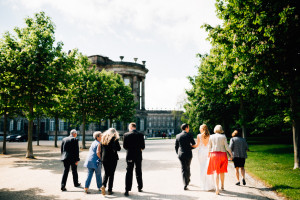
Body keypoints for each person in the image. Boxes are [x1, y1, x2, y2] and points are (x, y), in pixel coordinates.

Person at [207, 125, 233, 195]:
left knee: (216, 171)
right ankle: (222, 185)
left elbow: (209, 146)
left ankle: (217, 188)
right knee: (222, 171)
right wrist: (231, 154)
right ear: (221, 130)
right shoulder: (223, 136)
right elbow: (227, 146)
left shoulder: (211, 136)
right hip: (222, 154)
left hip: (214, 154)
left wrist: (209, 154)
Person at [123, 122, 145, 196]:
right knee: (138, 171)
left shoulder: (126, 135)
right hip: (138, 155)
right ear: (135, 127)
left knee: (129, 172)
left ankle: (127, 189)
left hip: (130, 155)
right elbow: (143, 147)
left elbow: (125, 146)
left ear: (131, 127)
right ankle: (140, 187)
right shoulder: (141, 135)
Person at [191, 124, 214, 190]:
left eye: (200, 128)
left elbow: (197, 145)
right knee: (208, 167)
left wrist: (191, 146)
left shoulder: (199, 136)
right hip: (208, 152)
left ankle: (204, 185)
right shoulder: (210, 136)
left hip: (201, 152)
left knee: (202, 167)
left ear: (202, 129)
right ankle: (209, 185)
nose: (199, 129)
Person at [100, 128, 121, 195]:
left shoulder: (103, 138)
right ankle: (109, 190)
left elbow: (101, 149)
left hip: (104, 158)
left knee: (106, 173)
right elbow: (119, 148)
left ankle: (103, 185)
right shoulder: (114, 139)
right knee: (111, 174)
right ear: (114, 133)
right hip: (113, 158)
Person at [175, 123, 196, 190]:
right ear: (186, 128)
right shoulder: (189, 135)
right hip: (188, 154)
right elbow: (193, 144)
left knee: (183, 168)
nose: (189, 129)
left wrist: (178, 153)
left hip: (181, 154)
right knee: (188, 167)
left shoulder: (178, 136)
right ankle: (187, 180)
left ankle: (185, 183)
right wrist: (190, 147)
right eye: (188, 127)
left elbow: (176, 146)